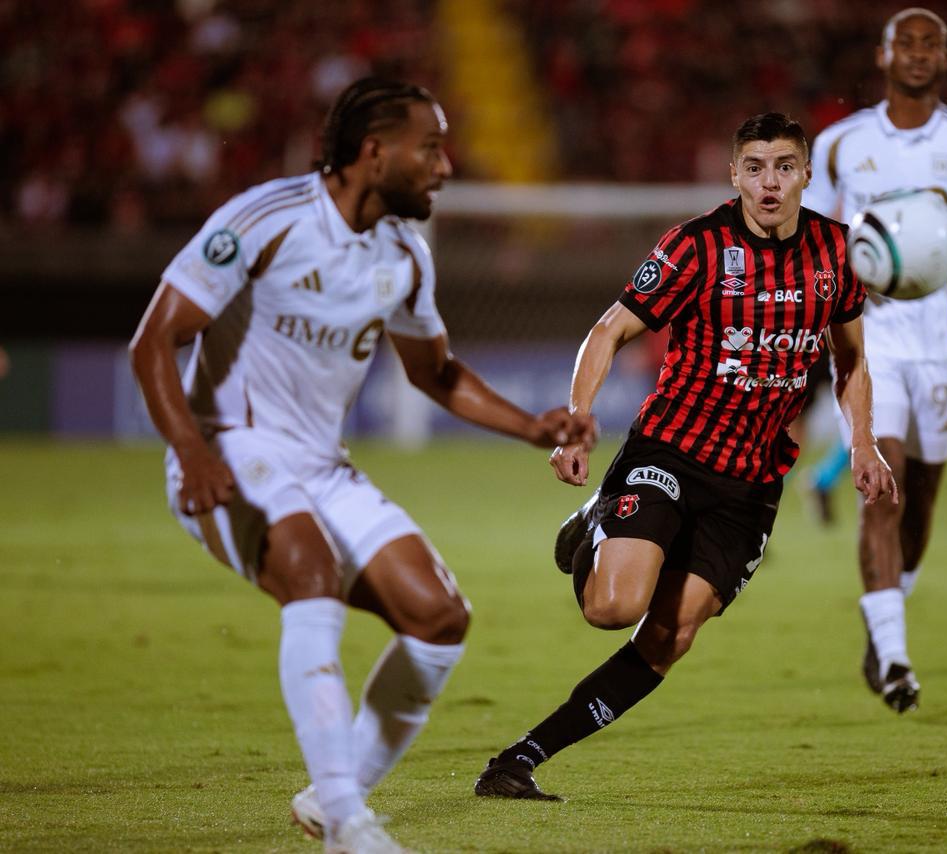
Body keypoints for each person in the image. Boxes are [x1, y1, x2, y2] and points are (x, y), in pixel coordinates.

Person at [129, 77, 595, 853]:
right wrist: (189, 450)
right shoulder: (268, 219)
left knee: (440, 619)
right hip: (227, 449)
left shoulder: (405, 252)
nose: (446, 167)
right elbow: (155, 339)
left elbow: (436, 373)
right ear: (375, 153)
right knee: (308, 572)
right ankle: (349, 822)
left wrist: (531, 427)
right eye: (432, 148)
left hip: (320, 464)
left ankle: (325, 799)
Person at [471, 112, 897, 801]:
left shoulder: (839, 253)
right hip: (670, 452)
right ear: (734, 175)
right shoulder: (697, 247)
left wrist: (862, 440)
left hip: (751, 484)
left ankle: (520, 759)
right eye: (754, 167)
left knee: (670, 635)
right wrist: (577, 419)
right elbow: (609, 329)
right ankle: (596, 523)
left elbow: (850, 361)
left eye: (785, 166)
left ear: (807, 175)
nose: (769, 182)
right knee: (612, 608)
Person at [804, 7, 947, 713]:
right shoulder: (842, 144)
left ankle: (884, 623)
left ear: (946, 58)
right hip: (868, 344)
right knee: (885, 483)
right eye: (907, 41)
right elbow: (809, 237)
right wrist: (849, 269)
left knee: (922, 497)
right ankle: (897, 659)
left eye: (932, 43)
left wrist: (943, 247)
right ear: (883, 54)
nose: (919, 53)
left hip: (941, 348)